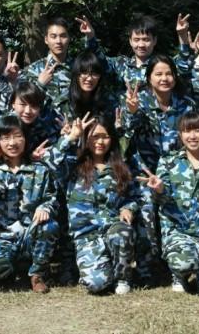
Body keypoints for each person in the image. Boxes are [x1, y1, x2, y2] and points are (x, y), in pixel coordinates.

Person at [139, 112, 199, 298]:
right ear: (180, 135)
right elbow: (160, 202)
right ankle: (180, 275)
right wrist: (159, 190)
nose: (192, 136)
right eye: (187, 131)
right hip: (178, 234)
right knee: (184, 263)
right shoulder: (168, 162)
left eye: (197, 130)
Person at [49, 115, 139, 294]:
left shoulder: (119, 166)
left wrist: (128, 208)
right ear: (86, 138)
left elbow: (133, 196)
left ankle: (123, 278)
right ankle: (101, 267)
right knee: (96, 284)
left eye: (105, 137)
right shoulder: (73, 164)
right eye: (95, 137)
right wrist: (70, 138)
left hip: (112, 228)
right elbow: (50, 162)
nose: (100, 142)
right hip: (86, 235)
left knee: (123, 232)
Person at [0, 115, 59, 293]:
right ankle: (12, 268)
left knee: (50, 226)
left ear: (26, 139)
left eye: (17, 136)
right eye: (5, 138)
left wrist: (44, 207)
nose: (12, 143)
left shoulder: (39, 169)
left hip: (30, 235)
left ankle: (37, 274)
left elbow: (51, 196)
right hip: (2, 238)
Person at [121, 55, 195, 173]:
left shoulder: (186, 104)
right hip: (143, 170)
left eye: (169, 74)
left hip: (176, 170)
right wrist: (132, 111)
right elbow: (126, 127)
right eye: (158, 74)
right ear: (149, 78)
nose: (164, 78)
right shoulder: (137, 100)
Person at [20, 16, 98, 107]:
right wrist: (39, 84)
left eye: (63, 36)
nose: (58, 41)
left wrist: (91, 37)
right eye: (53, 37)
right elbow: (23, 103)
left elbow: (100, 68)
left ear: (69, 38)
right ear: (46, 40)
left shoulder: (80, 67)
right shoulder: (31, 70)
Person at [52, 51, 113, 122]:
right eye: (84, 73)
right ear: (76, 75)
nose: (89, 78)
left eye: (94, 74)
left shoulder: (107, 100)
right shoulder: (61, 104)